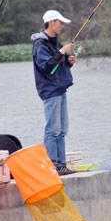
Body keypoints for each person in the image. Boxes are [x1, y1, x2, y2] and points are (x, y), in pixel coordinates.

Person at [31, 10, 77, 176]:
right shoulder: (40, 44)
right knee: (53, 129)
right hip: (50, 91)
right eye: (60, 23)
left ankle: (61, 164)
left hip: (60, 88)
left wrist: (69, 62)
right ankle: (53, 165)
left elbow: (57, 65)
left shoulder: (54, 43)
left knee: (62, 129)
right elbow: (47, 67)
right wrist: (62, 52)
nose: (62, 26)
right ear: (51, 23)